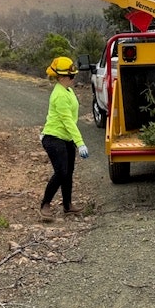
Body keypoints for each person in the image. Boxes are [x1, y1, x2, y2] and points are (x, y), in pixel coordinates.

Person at [39, 56, 89, 220]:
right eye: (71, 76)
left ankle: (67, 205)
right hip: (54, 138)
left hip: (66, 138)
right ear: (60, 77)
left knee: (68, 172)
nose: (74, 78)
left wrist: (74, 141)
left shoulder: (67, 89)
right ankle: (45, 205)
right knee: (61, 172)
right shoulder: (59, 95)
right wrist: (80, 143)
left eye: (74, 75)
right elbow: (67, 121)